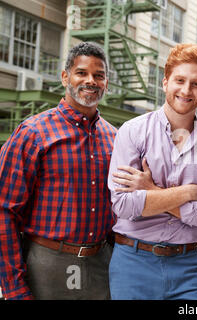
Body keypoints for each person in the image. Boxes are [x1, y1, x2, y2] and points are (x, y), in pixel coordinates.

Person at [107, 43, 197, 300]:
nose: (186, 90)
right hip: (133, 264)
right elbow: (124, 205)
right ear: (165, 83)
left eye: (195, 84)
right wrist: (188, 192)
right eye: (179, 80)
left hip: (189, 268)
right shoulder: (132, 131)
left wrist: (151, 192)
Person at [0, 42, 116, 300]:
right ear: (65, 77)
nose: (91, 81)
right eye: (82, 73)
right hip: (45, 264)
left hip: (101, 265)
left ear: (106, 82)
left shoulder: (114, 139)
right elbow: (4, 211)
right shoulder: (32, 133)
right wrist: (14, 287)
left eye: (99, 75)